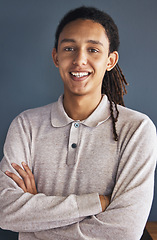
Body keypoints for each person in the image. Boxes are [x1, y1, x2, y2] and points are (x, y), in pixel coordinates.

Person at [0, 6, 156, 240]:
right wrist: (97, 203)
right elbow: (5, 212)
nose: (79, 59)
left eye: (93, 49)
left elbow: (125, 230)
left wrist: (35, 216)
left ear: (110, 60)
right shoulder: (25, 125)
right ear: (56, 57)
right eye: (69, 48)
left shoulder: (137, 129)